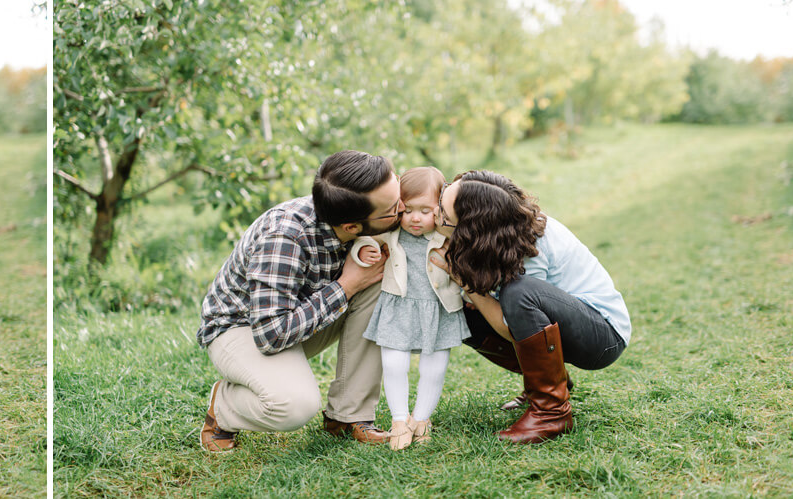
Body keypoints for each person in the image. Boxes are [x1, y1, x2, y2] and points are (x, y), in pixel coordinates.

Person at [197, 150, 399, 453]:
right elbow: (270, 334)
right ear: (352, 228)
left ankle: (347, 416)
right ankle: (224, 406)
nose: (404, 208)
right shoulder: (285, 237)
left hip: (299, 317)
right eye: (393, 209)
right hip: (243, 328)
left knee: (381, 278)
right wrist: (346, 285)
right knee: (293, 405)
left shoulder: (351, 208)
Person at [435, 170, 631, 444]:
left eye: (443, 213)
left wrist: (466, 283)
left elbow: (514, 326)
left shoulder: (530, 246)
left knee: (519, 292)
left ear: (471, 227)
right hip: (567, 325)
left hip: (602, 337)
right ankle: (550, 383)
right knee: (461, 315)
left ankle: (552, 413)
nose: (435, 213)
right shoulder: (500, 233)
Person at [355, 166, 469, 450]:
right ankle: (398, 420)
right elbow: (367, 237)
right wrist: (363, 249)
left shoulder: (446, 237)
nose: (415, 218)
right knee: (394, 364)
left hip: (439, 309)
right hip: (399, 306)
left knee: (435, 368)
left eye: (425, 210)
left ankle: (421, 418)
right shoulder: (393, 233)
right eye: (408, 210)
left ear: (440, 211)